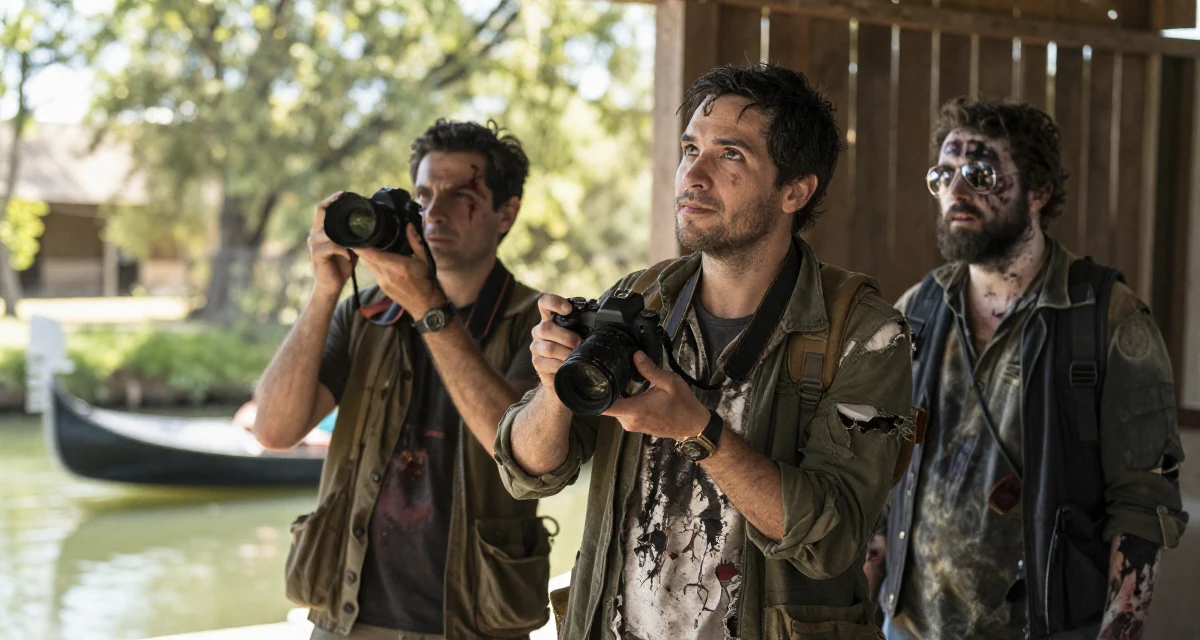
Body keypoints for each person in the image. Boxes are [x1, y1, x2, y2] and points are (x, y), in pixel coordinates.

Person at [494, 62, 918, 639]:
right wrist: (554, 388)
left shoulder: (865, 333)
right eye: (690, 147)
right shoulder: (641, 298)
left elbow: (833, 540)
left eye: (731, 155)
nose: (693, 173)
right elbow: (527, 472)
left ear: (795, 190)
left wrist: (698, 429)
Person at [874, 98, 1189, 640]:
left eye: (980, 174)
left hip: (1044, 627)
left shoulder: (1107, 319)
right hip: (911, 625)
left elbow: (1142, 508)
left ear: (1038, 192)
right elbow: (882, 474)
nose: (956, 190)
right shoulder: (917, 311)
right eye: (943, 175)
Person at [252, 120, 552, 640]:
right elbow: (274, 431)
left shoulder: (541, 326)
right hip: (346, 618)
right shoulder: (366, 314)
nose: (434, 212)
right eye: (424, 193)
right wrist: (325, 291)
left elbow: (525, 459)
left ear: (508, 212)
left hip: (475, 622)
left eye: (462, 195)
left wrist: (428, 307)